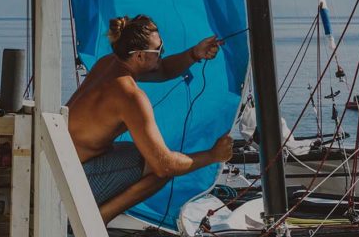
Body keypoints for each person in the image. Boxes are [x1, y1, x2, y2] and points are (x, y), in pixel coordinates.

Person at [66, 14, 234, 223]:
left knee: (138, 151)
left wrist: (194, 53)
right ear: (138, 57)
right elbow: (164, 165)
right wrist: (213, 155)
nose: (162, 53)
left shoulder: (108, 64)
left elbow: (162, 70)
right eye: (159, 50)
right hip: (70, 183)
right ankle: (94, 222)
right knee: (161, 167)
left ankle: (93, 217)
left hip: (62, 166)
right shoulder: (130, 96)